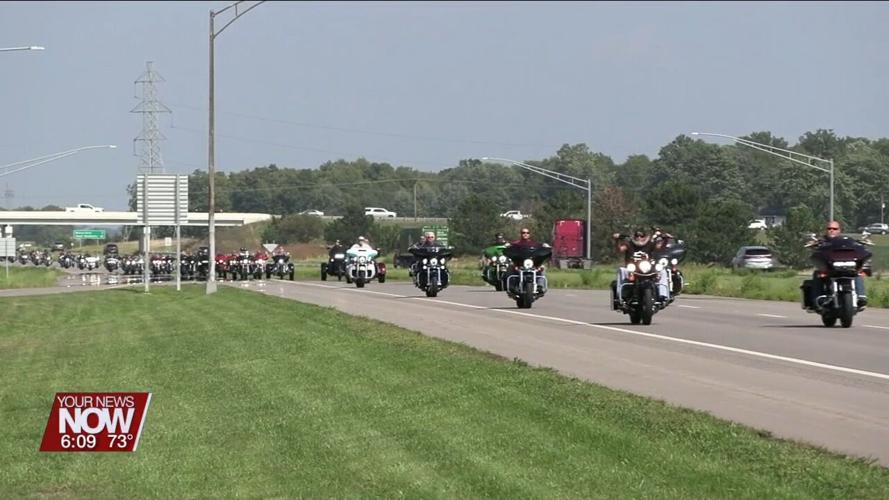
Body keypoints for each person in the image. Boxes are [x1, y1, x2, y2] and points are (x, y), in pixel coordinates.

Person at [806, 220, 868, 307]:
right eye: (829, 228)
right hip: (830, 267)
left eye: (835, 228)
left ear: (839, 230)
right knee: (817, 274)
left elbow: (855, 245)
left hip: (845, 266)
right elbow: (815, 248)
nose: (832, 230)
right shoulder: (822, 241)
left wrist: (862, 243)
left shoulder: (845, 241)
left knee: (858, 273)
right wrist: (812, 244)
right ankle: (817, 298)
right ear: (826, 230)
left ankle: (861, 296)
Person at [612, 228, 670, 303]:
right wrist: (617, 240)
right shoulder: (629, 244)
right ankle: (622, 295)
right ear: (634, 237)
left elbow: (660, 248)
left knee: (662, 271)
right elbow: (619, 250)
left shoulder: (650, 244)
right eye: (637, 236)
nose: (639, 238)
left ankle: (663, 294)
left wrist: (666, 240)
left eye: (642, 236)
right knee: (622, 270)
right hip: (632, 269)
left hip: (647, 268)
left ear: (646, 237)